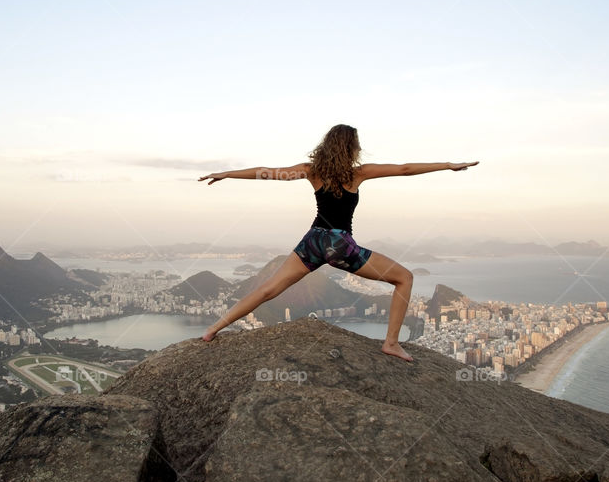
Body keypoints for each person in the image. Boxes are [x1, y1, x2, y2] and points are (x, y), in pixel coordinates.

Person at [197, 124, 478, 361]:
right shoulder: (358, 173)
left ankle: (213, 329)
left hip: (313, 240)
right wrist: (448, 166)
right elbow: (404, 169)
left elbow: (266, 172)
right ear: (352, 148)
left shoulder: (311, 171)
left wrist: (226, 174)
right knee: (404, 277)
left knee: (267, 290)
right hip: (339, 245)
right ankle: (391, 342)